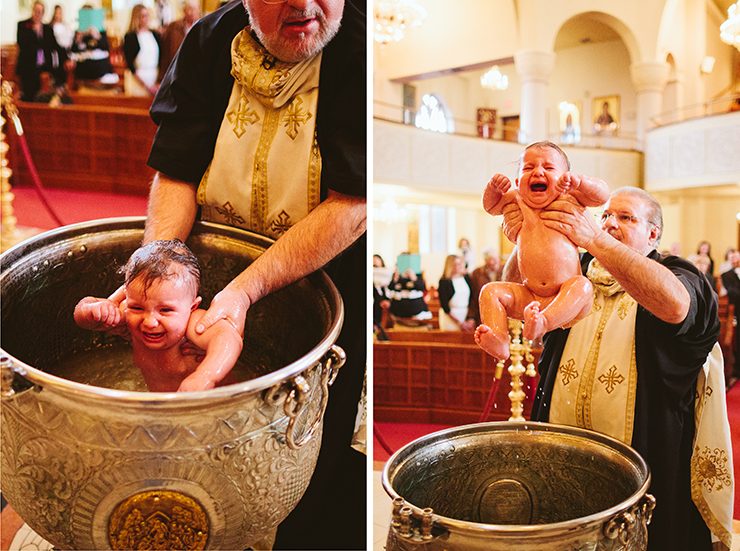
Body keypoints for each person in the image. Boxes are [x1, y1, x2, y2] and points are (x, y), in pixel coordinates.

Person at [141, 0, 366, 547]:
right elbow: (177, 169)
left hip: (324, 283)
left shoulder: (360, 49)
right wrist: (160, 273)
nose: (304, 4)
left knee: (307, 472)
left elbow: (354, 201)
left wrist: (244, 292)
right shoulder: (208, 42)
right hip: (209, 279)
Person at [516, 186, 727, 550]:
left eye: (625, 217)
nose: (611, 223)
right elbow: (525, 289)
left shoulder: (677, 273)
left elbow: (676, 307)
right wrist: (526, 232)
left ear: (653, 233)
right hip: (563, 444)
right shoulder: (576, 269)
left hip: (644, 453)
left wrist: (595, 239)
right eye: (606, 216)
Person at [475, 141, 611, 359]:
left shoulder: (570, 198)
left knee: (583, 285)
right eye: (529, 168)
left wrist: (581, 182)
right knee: (490, 291)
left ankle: (543, 323)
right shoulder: (516, 199)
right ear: (518, 181)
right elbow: (491, 207)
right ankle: (499, 340)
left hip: (567, 298)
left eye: (548, 168)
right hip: (530, 296)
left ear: (565, 179)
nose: (538, 171)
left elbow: (602, 195)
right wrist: (492, 189)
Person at [74, 239, 242, 392]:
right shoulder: (129, 313)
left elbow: (229, 337)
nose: (149, 322)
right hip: (162, 408)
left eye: (165, 310)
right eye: (138, 307)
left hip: (218, 407)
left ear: (192, 307)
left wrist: (205, 376)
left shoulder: (192, 324)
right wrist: (93, 310)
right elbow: (82, 317)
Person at [16, 0, 68, 101]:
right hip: (28, 69)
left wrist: (66, 59)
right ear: (32, 11)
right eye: (36, 10)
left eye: (40, 11)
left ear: (43, 13)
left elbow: (56, 47)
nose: (38, 14)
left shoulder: (47, 29)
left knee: (43, 98)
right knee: (29, 97)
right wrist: (34, 32)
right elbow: (21, 43)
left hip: (43, 67)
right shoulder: (23, 25)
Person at [70, 6, 118, 86]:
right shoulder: (78, 32)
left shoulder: (100, 32)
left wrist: (97, 36)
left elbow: (106, 47)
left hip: (100, 66)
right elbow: (74, 51)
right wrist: (78, 40)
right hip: (84, 66)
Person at [123, 4, 161, 96]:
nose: (146, 19)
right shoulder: (130, 37)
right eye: (143, 16)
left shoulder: (155, 34)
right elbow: (130, 65)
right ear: (137, 18)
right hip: (137, 82)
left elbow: (161, 58)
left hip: (154, 79)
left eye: (147, 15)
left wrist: (158, 83)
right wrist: (146, 86)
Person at [159, 0, 201, 76]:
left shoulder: (202, 28)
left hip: (195, 72)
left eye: (196, 8)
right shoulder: (173, 27)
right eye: (190, 8)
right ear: (184, 10)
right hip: (177, 72)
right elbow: (165, 53)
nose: (193, 12)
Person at [438, 254, 475, 331]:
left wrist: (470, 318)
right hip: (451, 317)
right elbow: (445, 305)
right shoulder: (444, 281)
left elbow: (472, 298)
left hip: (465, 314)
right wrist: (459, 323)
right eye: (454, 264)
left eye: (459, 264)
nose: (457, 266)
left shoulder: (466, 278)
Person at [466, 246, 502, 326]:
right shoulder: (477, 273)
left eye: (496, 258)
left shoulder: (505, 270)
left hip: (502, 311)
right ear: (486, 261)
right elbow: (473, 296)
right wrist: (471, 316)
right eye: (492, 259)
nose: (495, 261)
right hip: (483, 312)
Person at [721, 250, 740, 387]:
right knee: (737, 340)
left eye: (737, 258)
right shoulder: (726, 275)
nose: (735, 260)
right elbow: (733, 291)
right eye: (732, 258)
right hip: (736, 311)